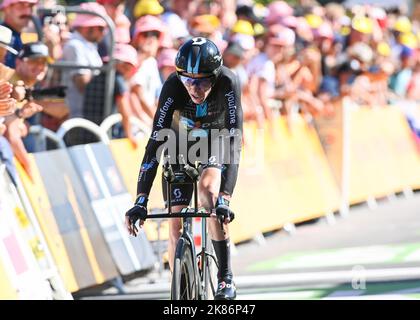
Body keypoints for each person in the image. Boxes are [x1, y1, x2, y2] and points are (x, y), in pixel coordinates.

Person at [125, 37, 242, 300]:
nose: (194, 87)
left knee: (208, 192)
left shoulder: (228, 82)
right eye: (188, 79)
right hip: (180, 145)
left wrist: (225, 198)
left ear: (215, 76)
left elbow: (235, 140)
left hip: (217, 140)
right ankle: (180, 290)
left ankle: (225, 277)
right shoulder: (173, 86)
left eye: (201, 81)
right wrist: (140, 200)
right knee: (175, 222)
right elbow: (155, 142)